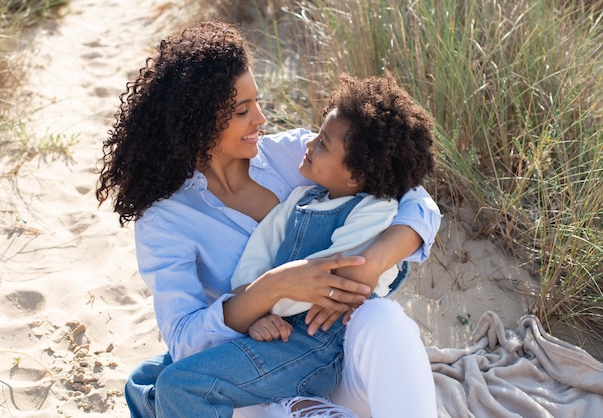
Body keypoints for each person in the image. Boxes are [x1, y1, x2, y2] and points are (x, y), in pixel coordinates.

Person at [96, 21, 440, 418]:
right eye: (242, 110)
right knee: (187, 388)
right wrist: (268, 291)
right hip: (259, 382)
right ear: (198, 122)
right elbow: (186, 342)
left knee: (384, 319)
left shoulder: (292, 155)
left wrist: (373, 264)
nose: (260, 118)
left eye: (257, 101)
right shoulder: (165, 220)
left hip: (340, 358)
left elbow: (412, 194)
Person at [165, 73, 436, 417]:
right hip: (277, 338)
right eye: (242, 109)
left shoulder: (375, 210)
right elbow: (257, 257)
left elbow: (332, 273)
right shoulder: (299, 200)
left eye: (322, 143)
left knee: (181, 385)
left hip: (320, 343)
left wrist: (270, 303)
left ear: (355, 176)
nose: (309, 144)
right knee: (168, 380)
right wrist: (252, 309)